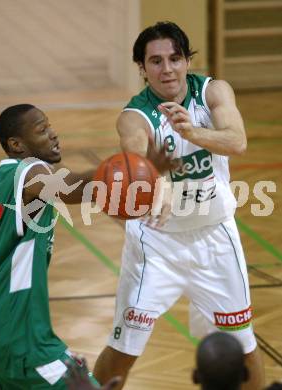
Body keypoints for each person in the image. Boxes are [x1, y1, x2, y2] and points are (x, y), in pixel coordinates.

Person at [93, 21, 264, 390]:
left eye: (174, 58)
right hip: (157, 245)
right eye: (155, 61)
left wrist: (193, 133)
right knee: (123, 348)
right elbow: (136, 150)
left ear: (188, 60)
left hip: (215, 237)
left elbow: (237, 141)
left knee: (244, 346)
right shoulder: (135, 115)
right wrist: (157, 178)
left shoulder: (212, 91)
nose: (166, 68)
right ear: (141, 68)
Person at [0, 104, 100, 389]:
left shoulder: (4, 178)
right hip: (12, 327)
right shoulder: (30, 170)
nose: (54, 134)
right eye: (42, 130)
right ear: (16, 144)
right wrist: (116, 168)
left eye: (50, 126)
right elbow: (70, 188)